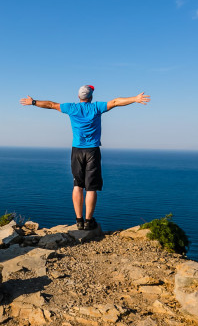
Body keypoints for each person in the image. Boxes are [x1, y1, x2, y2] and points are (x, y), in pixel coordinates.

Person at [20, 85, 151, 230]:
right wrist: (135, 99)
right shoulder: (96, 107)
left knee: (77, 185)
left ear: (78, 97)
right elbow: (115, 102)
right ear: (91, 97)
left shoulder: (71, 108)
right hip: (92, 151)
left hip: (77, 151)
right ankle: (89, 221)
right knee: (91, 188)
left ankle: (79, 221)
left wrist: (33, 102)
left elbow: (51, 105)